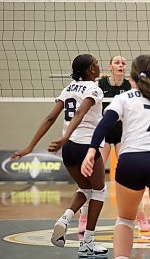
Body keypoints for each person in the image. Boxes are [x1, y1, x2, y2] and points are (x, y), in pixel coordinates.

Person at [81, 54, 150, 259]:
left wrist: (92, 149)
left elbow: (105, 123)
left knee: (125, 220)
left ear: (132, 79)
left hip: (130, 161)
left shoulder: (122, 98)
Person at [11, 54, 108, 257]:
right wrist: (66, 136)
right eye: (97, 64)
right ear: (91, 69)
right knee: (99, 191)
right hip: (85, 146)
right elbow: (80, 113)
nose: (99, 67)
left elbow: (49, 117)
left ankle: (64, 219)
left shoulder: (68, 88)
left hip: (69, 149)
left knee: (85, 188)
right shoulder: (94, 89)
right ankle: (87, 242)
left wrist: (30, 147)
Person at [78, 55, 150, 233]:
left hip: (122, 135)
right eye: (117, 63)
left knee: (132, 174)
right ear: (110, 67)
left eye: (123, 63)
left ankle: (140, 215)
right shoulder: (99, 85)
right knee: (93, 175)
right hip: (103, 134)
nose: (120, 65)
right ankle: (84, 215)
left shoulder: (129, 86)